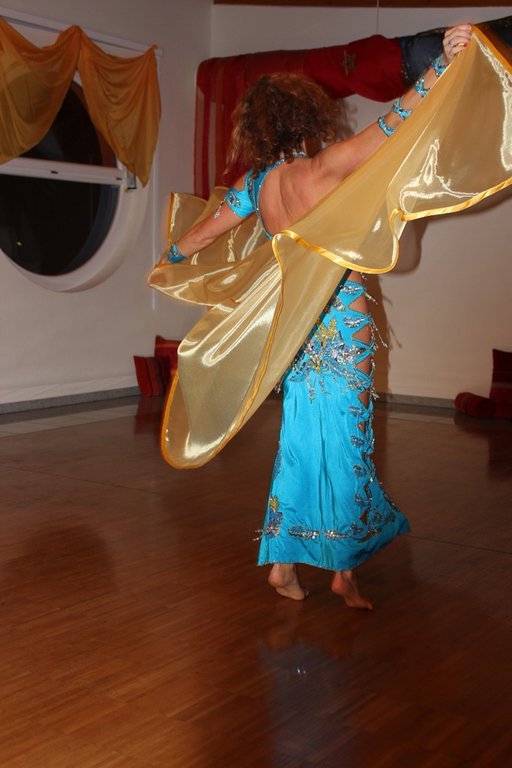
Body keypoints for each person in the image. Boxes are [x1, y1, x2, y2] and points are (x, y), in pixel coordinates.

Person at [158, 24, 473, 609]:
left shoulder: (255, 186)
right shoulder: (323, 168)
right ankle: (342, 570)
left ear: (257, 128)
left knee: (301, 442)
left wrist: (169, 259)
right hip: (343, 322)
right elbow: (394, 122)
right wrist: (441, 66)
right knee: (347, 446)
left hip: (298, 330)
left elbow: (199, 235)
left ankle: (284, 564)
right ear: (307, 118)